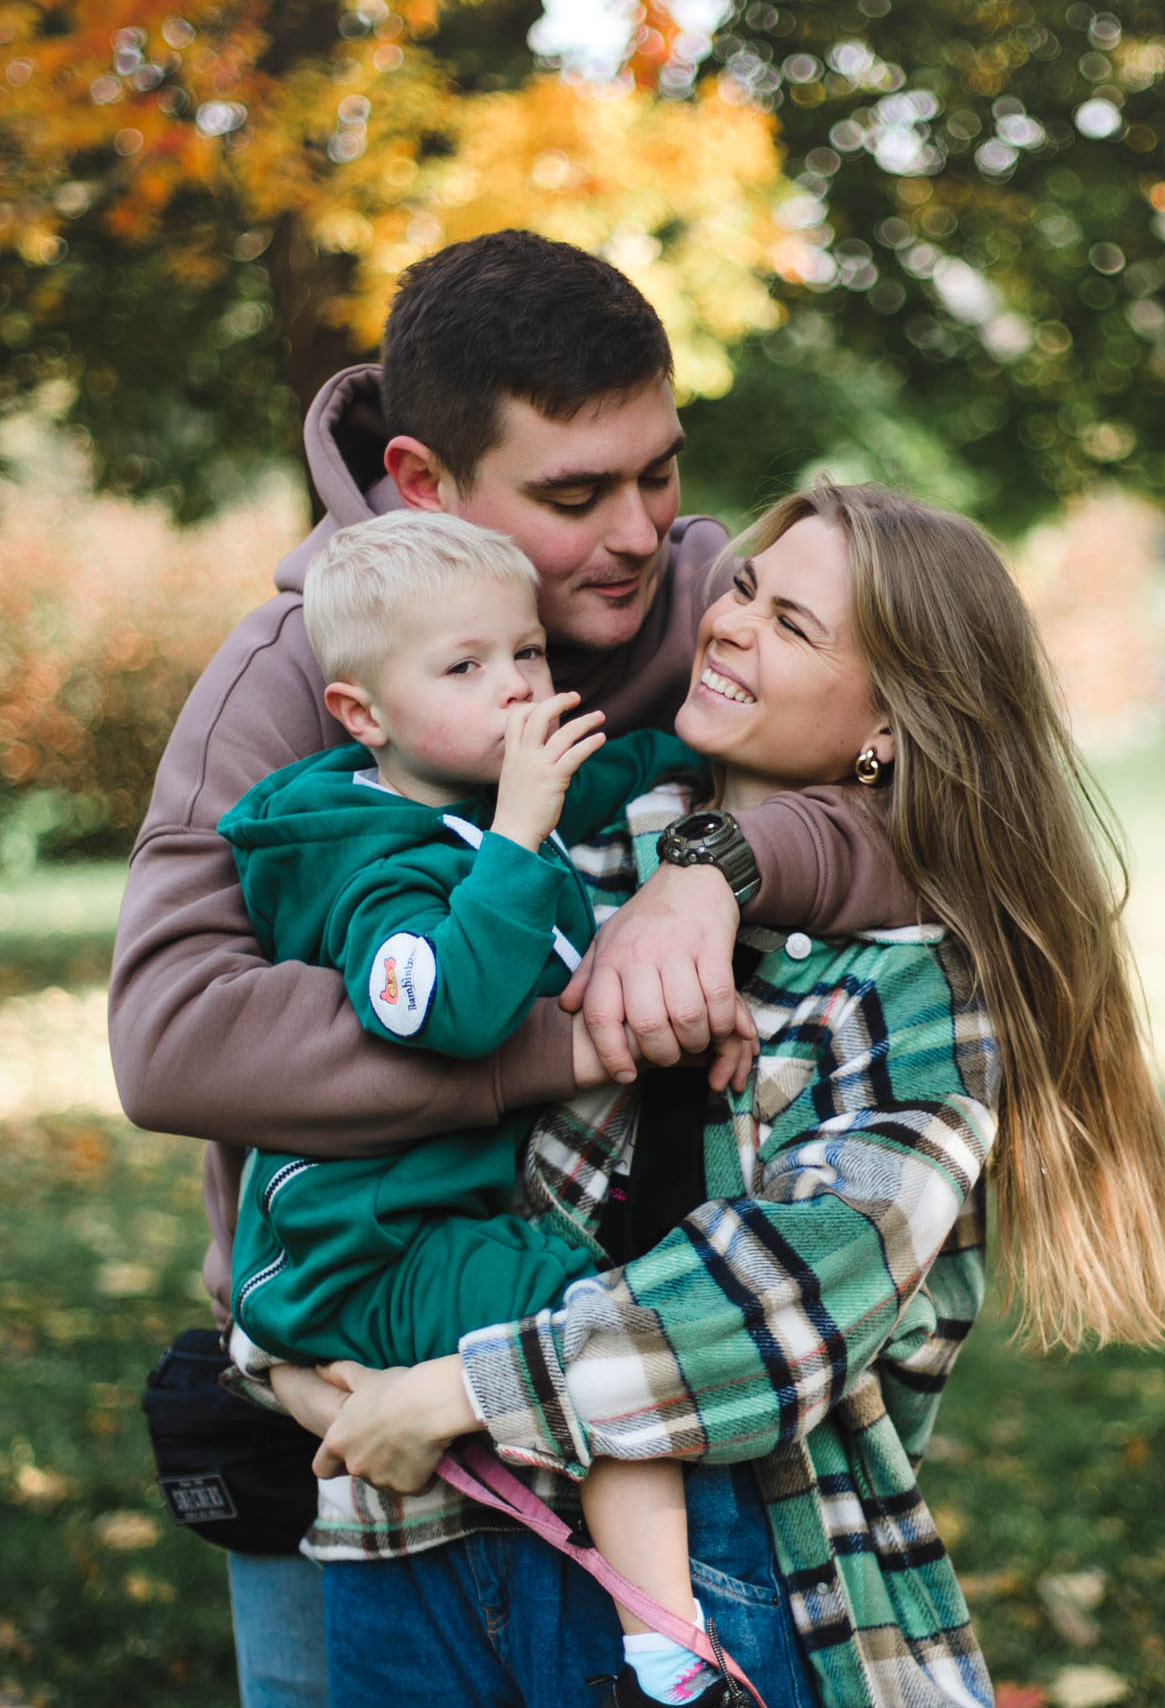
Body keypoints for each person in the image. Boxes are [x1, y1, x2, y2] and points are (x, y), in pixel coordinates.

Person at [108, 233, 913, 1708]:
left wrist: (711, 870)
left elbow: (925, 796)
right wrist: (563, 1038)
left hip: (661, 1381)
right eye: (575, 495)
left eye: (659, 472)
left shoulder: (707, 603)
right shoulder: (293, 683)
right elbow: (174, 1042)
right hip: (357, 1374)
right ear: (424, 480)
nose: (643, 533)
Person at [272, 484, 1165, 1708]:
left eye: (793, 625)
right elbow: (352, 1098)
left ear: (892, 722)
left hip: (731, 1559)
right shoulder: (571, 847)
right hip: (419, 1533)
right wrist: (279, 1351)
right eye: (748, 588)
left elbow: (783, 1303)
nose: (727, 623)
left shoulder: (917, 993)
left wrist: (456, 1389)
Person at [223, 507, 736, 1707]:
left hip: (419, 1216)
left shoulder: (471, 790)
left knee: (591, 1329)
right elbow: (443, 1009)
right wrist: (515, 835)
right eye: (464, 667)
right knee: (594, 1334)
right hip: (364, 1244)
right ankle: (670, 1650)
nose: (515, 686)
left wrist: (690, 764)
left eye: (528, 652)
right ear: (361, 713)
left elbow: (613, 771)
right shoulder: (366, 863)